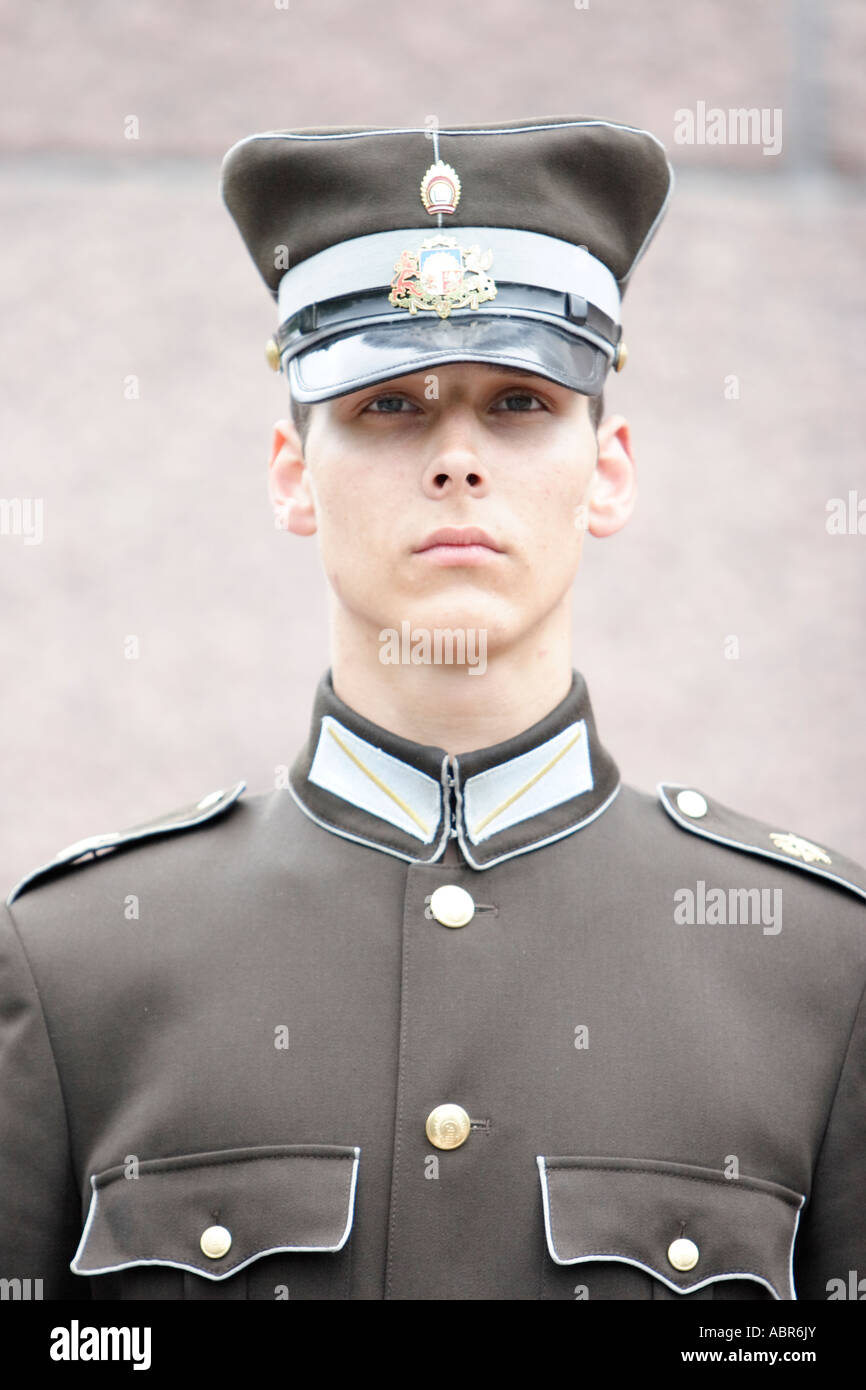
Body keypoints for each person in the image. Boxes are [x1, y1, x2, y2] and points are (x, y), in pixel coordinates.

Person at [1, 116, 864, 1304]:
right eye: (388, 407)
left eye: (517, 404)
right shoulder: (77, 964)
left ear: (605, 468)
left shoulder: (815, 966)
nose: (456, 457)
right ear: (290, 473)